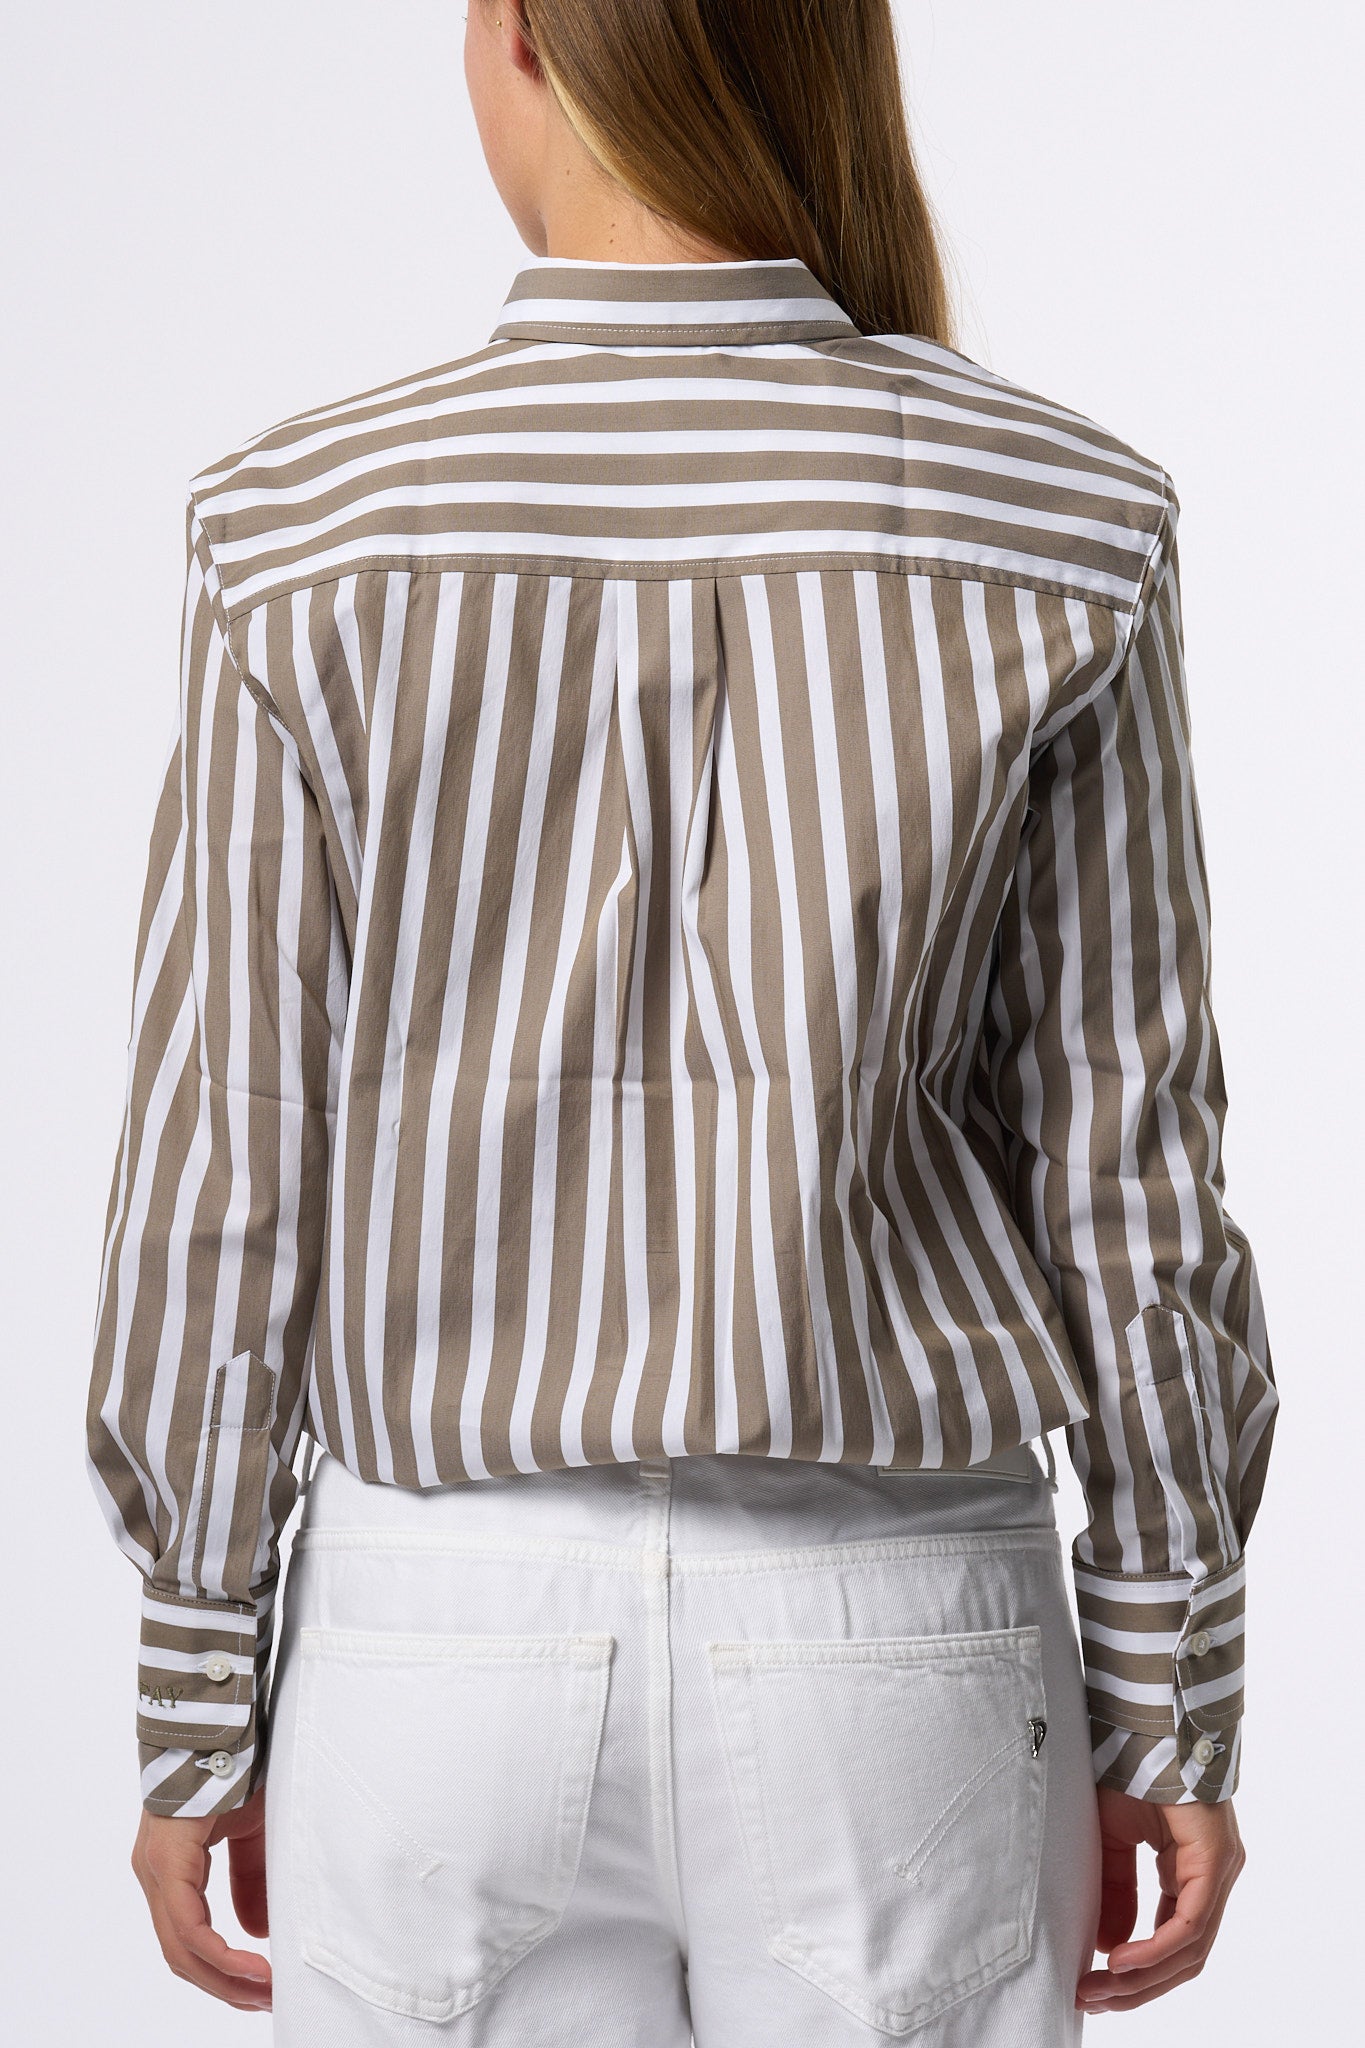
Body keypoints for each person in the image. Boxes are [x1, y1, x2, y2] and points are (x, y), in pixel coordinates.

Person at [85, 3, 1279, 2040]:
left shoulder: (297, 527)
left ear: (519, 36)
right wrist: (1167, 1663)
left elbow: (226, 1159)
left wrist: (202, 1667)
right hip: (901, 1636)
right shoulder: (1057, 517)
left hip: (434, 1635)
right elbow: (1128, 1158)